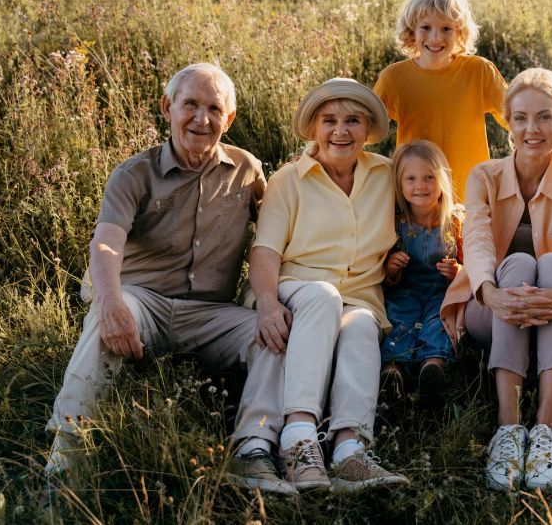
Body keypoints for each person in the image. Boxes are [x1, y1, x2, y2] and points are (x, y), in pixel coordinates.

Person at [45, 63, 294, 495]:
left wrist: (269, 302)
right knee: (107, 318)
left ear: (228, 119)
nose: (202, 119)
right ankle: (66, 454)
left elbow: (276, 238)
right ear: (168, 107)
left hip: (212, 312)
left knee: (272, 335)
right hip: (145, 303)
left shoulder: (246, 170)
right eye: (191, 105)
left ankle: (253, 451)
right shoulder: (134, 174)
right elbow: (105, 243)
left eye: (214, 108)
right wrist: (109, 302)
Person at [440, 68, 552, 491]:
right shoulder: (484, 176)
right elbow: (475, 241)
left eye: (545, 117)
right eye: (522, 118)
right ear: (508, 123)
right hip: (488, 308)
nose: (533, 129)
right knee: (515, 265)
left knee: (551, 263)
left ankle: (547, 430)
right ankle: (508, 431)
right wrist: (491, 295)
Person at [247, 78, 409, 492]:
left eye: (353, 121)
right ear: (314, 128)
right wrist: (267, 303)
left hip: (359, 295)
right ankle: (299, 442)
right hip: (296, 286)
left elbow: (430, 203)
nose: (341, 131)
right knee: (323, 296)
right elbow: (264, 250)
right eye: (330, 120)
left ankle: (349, 452)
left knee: (359, 326)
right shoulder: (289, 179)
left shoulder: (385, 174)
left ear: (367, 129)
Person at [374, 0, 507, 201]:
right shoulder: (394, 78)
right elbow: (365, 130)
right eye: (426, 27)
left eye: (446, 29)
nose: (435, 38)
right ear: (411, 31)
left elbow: (516, 118)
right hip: (418, 198)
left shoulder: (479, 71)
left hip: (471, 196)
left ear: (460, 32)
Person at [381, 140, 463, 398]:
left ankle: (433, 368)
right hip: (405, 290)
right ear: (399, 183)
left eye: (429, 177)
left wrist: (457, 272)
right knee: (399, 320)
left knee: (438, 322)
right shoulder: (395, 223)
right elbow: (383, 270)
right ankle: (393, 370)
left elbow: (471, 263)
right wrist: (391, 269)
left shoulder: (456, 222)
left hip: (441, 293)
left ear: (443, 180)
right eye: (411, 178)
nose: (420, 186)